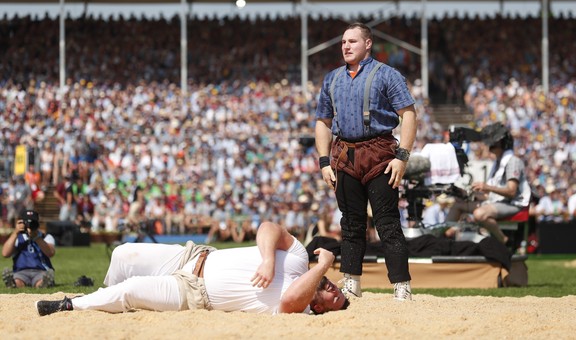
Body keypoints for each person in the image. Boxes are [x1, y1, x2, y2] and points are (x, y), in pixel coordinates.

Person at [35, 221, 349, 316]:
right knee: (122, 253)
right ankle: (100, 297)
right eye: (336, 288)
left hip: (192, 294)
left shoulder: (300, 312)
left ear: (321, 309)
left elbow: (288, 301)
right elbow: (270, 228)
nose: (334, 289)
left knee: (130, 292)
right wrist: (268, 259)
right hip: (193, 257)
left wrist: (322, 266)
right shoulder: (296, 258)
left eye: (335, 299)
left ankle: (70, 305)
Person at [314, 22, 417, 301]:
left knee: (387, 222)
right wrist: (324, 161)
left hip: (380, 152)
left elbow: (408, 114)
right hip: (344, 155)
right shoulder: (332, 79)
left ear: (368, 44)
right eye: (343, 42)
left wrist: (402, 158)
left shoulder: (387, 75)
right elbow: (323, 121)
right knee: (351, 223)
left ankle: (401, 284)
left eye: (353, 41)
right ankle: (351, 282)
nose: (346, 46)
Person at [448, 123, 531, 244]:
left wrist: (487, 187)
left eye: (493, 144)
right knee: (458, 205)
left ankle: (503, 240)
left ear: (502, 143)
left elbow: (511, 192)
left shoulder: (513, 162)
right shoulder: (497, 163)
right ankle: (444, 236)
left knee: (479, 214)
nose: (490, 146)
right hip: (498, 202)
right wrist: (469, 195)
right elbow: (489, 196)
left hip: (514, 204)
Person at [2, 209, 56, 288]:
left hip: (41, 271)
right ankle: (13, 284)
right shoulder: (17, 238)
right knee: (18, 281)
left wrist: (36, 237)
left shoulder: (46, 237)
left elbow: (50, 252)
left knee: (41, 280)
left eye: (33, 223)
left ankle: (44, 283)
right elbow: (5, 253)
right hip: (21, 271)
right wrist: (15, 232)